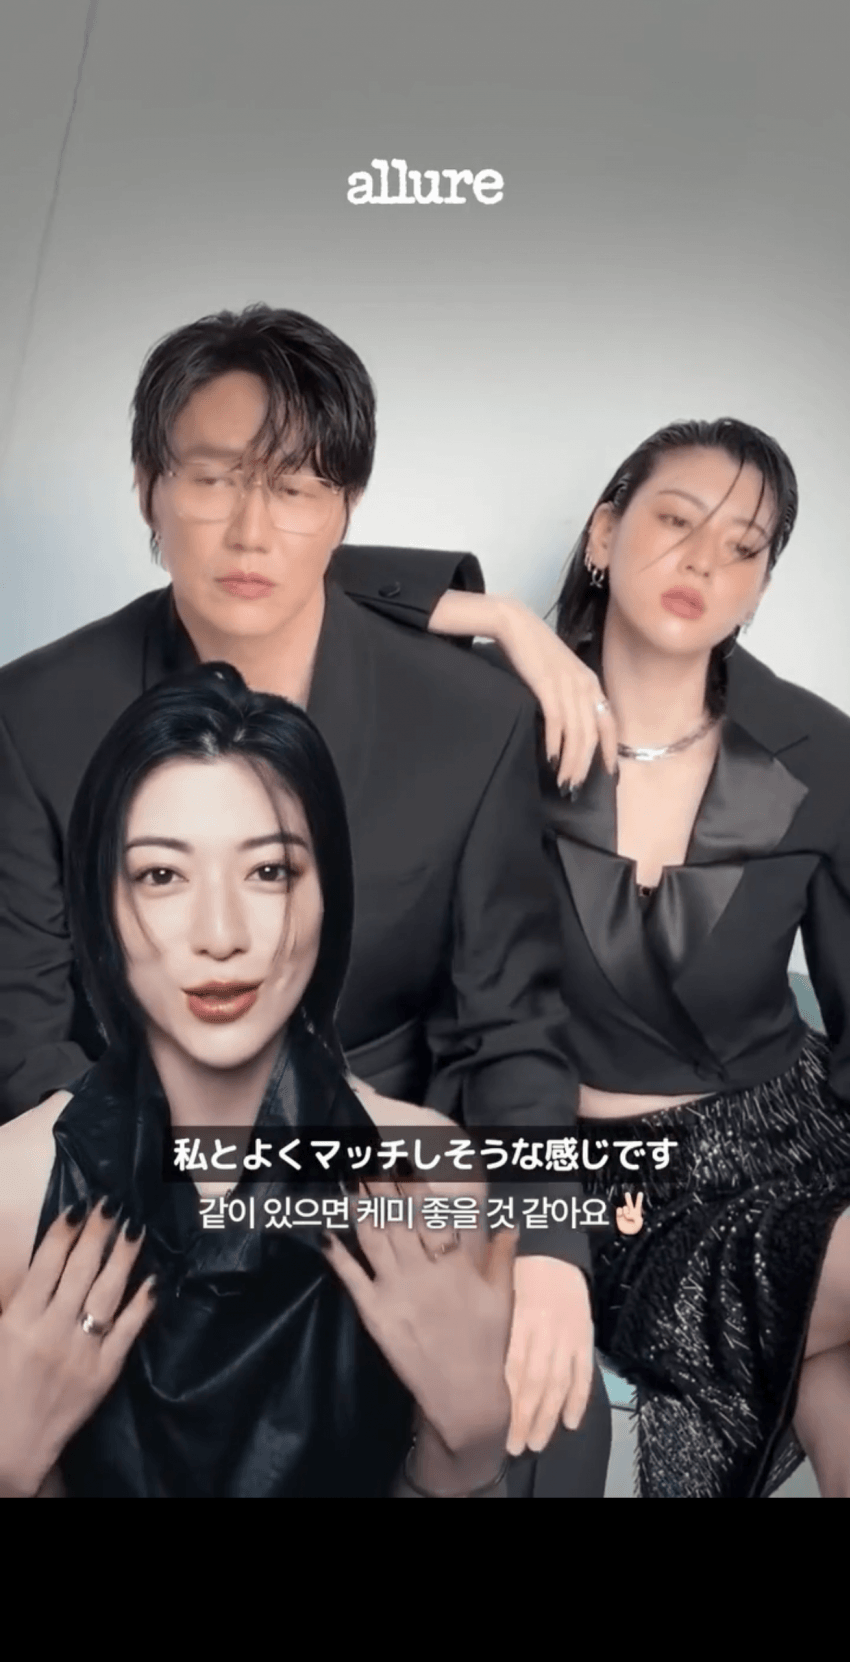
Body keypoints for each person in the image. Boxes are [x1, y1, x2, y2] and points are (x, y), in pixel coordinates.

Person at [0, 305, 610, 1486]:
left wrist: (547, 1242)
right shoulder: (35, 716)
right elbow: (26, 1031)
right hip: (133, 1169)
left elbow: (512, 1026)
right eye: (211, 478)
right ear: (147, 487)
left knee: (541, 1412)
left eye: (294, 487)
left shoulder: (472, 722)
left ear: (345, 507)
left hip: (381, 1171)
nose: (249, 529)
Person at [343, 417, 850, 1498]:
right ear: (604, 535)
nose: (704, 561)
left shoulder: (822, 750)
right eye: (676, 522)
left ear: (760, 588)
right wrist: (502, 623)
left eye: (743, 547)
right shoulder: (486, 719)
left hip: (795, 1139)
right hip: (610, 1189)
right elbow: (300, 588)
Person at [0, 665, 524, 1498]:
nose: (222, 934)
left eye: (270, 872)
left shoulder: (428, 1175)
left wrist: (467, 1451)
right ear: (101, 907)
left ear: (329, 897)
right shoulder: (14, 1192)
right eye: (162, 875)